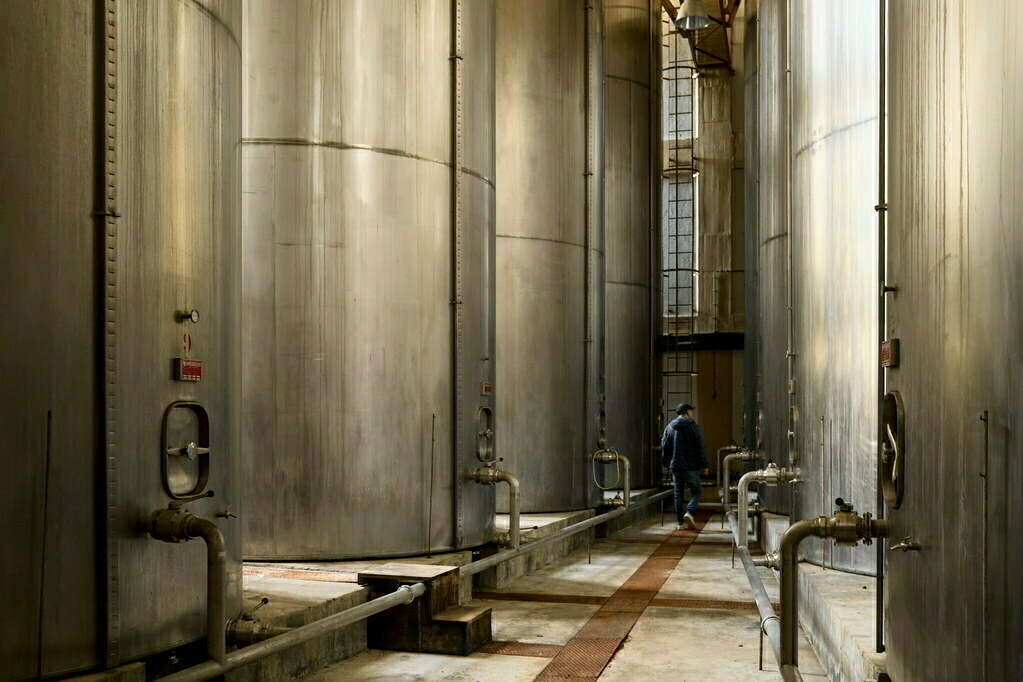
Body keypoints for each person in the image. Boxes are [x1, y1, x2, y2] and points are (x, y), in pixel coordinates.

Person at [661, 403, 708, 530]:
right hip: (690, 466)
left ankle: (680, 523)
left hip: (675, 466)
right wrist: (704, 465)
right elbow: (700, 448)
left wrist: (668, 463)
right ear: (687, 412)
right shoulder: (692, 426)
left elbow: (664, 445)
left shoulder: (669, 427)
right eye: (691, 411)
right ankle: (690, 512)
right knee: (697, 491)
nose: (692, 413)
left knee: (678, 494)